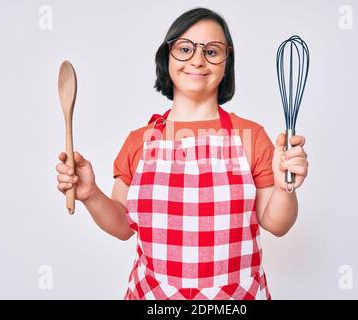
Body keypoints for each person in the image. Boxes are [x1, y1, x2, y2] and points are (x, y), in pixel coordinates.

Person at [55, 7, 308, 300]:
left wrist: (284, 187)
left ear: (227, 62)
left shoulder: (250, 136)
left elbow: (277, 224)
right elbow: (124, 226)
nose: (198, 60)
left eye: (212, 52)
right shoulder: (139, 141)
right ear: (167, 58)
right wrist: (90, 194)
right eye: (185, 49)